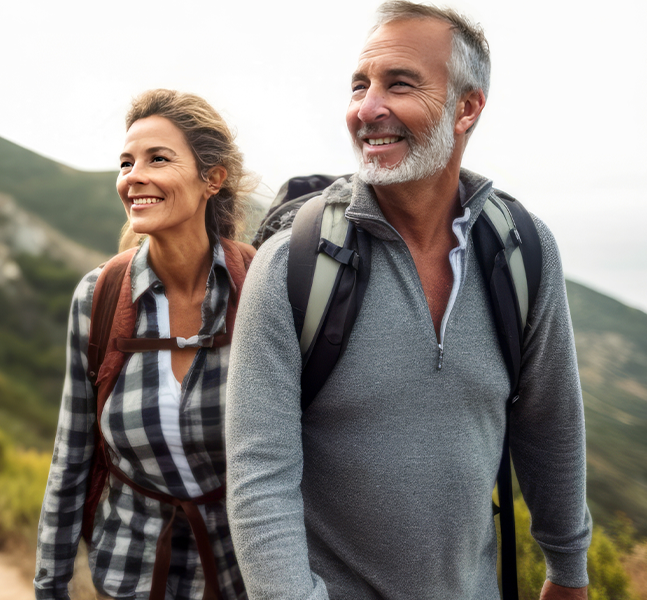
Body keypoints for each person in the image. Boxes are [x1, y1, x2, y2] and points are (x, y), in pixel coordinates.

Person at [224, 3, 592, 600]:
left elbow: (548, 421)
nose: (367, 108)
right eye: (359, 86)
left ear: (466, 107)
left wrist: (568, 570)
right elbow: (258, 477)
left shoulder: (524, 250)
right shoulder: (291, 267)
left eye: (399, 83)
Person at [35, 89, 255, 600]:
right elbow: (72, 454)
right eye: (126, 162)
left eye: (158, 159)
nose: (134, 176)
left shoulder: (262, 286)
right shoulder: (99, 296)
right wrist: (51, 583)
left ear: (212, 178)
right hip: (129, 574)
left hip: (244, 578)